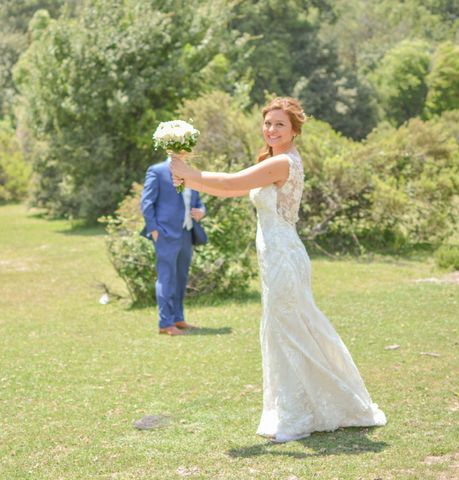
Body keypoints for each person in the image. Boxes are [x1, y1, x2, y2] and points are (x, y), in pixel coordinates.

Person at [170, 97, 386, 441]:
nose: (271, 129)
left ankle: (300, 414)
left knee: (290, 330)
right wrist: (185, 176)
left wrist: (188, 171)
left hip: (284, 256)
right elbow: (230, 191)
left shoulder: (283, 162)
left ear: (294, 130)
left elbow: (229, 181)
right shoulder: (270, 160)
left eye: (280, 124)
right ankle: (308, 407)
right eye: (268, 123)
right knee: (285, 330)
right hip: (274, 256)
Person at [141, 156, 206, 336]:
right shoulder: (158, 171)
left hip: (187, 231)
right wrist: (153, 229)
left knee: (181, 277)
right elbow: (146, 202)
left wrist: (201, 211)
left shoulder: (189, 172)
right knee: (166, 277)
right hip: (165, 233)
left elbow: (198, 201)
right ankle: (165, 323)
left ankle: (178, 318)